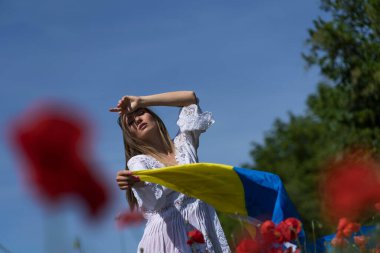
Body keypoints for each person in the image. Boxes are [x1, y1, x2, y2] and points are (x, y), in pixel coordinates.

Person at [110, 91, 231, 253]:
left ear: (154, 117)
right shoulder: (139, 162)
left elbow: (191, 99)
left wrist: (141, 101)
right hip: (167, 240)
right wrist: (137, 183)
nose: (137, 120)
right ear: (131, 136)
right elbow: (155, 202)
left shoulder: (184, 144)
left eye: (141, 113)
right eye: (131, 123)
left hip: (201, 229)